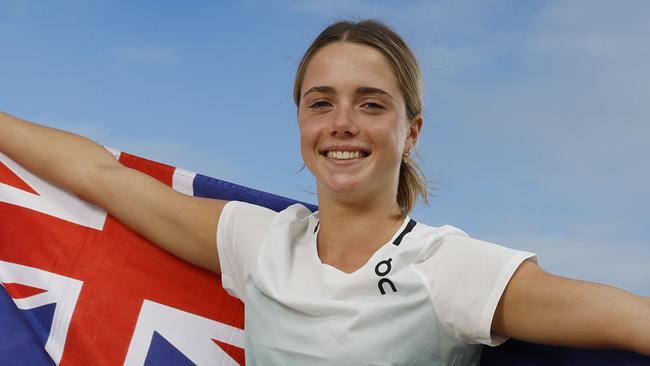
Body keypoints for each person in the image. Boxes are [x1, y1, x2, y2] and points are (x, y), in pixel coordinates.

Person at [1, 19, 648, 365]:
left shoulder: (451, 270)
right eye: (321, 103)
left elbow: (627, 319)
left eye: (370, 104)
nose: (342, 122)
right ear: (302, 124)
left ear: (411, 131)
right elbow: (101, 178)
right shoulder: (259, 241)